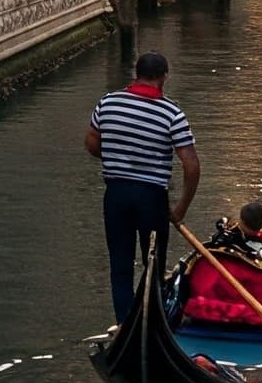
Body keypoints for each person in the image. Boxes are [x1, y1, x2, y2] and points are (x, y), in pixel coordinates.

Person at [85, 50, 200, 324]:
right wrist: (181, 208)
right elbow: (192, 166)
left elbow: (91, 143)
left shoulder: (108, 103)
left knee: (120, 265)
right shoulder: (172, 113)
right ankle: (150, 322)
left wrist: (118, 155)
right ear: (164, 78)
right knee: (154, 265)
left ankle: (125, 324)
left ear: (136, 74)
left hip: (116, 195)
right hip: (151, 198)